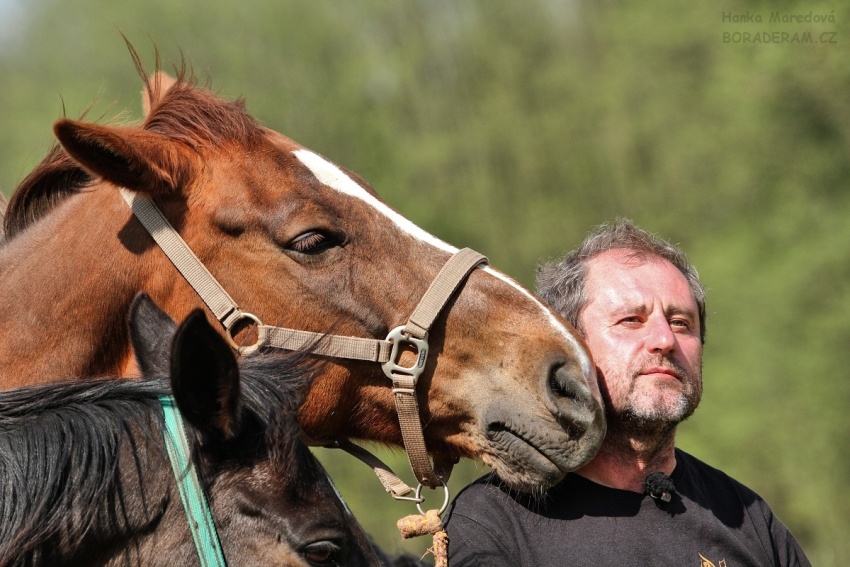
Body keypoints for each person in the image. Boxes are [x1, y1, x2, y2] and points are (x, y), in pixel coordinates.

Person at [444, 218, 810, 566]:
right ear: (568, 344)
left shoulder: (747, 518)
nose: (665, 340)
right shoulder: (492, 524)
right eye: (631, 321)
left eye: (681, 323)